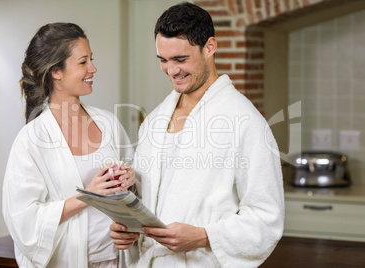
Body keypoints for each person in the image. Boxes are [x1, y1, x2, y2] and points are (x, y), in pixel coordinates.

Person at [110, 2, 284, 267]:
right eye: (163, 61)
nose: (172, 71)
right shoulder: (156, 120)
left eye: (181, 59)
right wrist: (128, 227)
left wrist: (204, 236)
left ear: (210, 47)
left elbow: (266, 217)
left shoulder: (245, 122)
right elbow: (152, 197)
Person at [2, 23, 135, 268]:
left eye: (91, 60)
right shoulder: (31, 139)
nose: (93, 69)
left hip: (119, 260)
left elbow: (137, 194)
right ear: (56, 72)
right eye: (83, 62)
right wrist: (89, 196)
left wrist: (132, 179)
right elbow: (23, 221)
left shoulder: (108, 123)